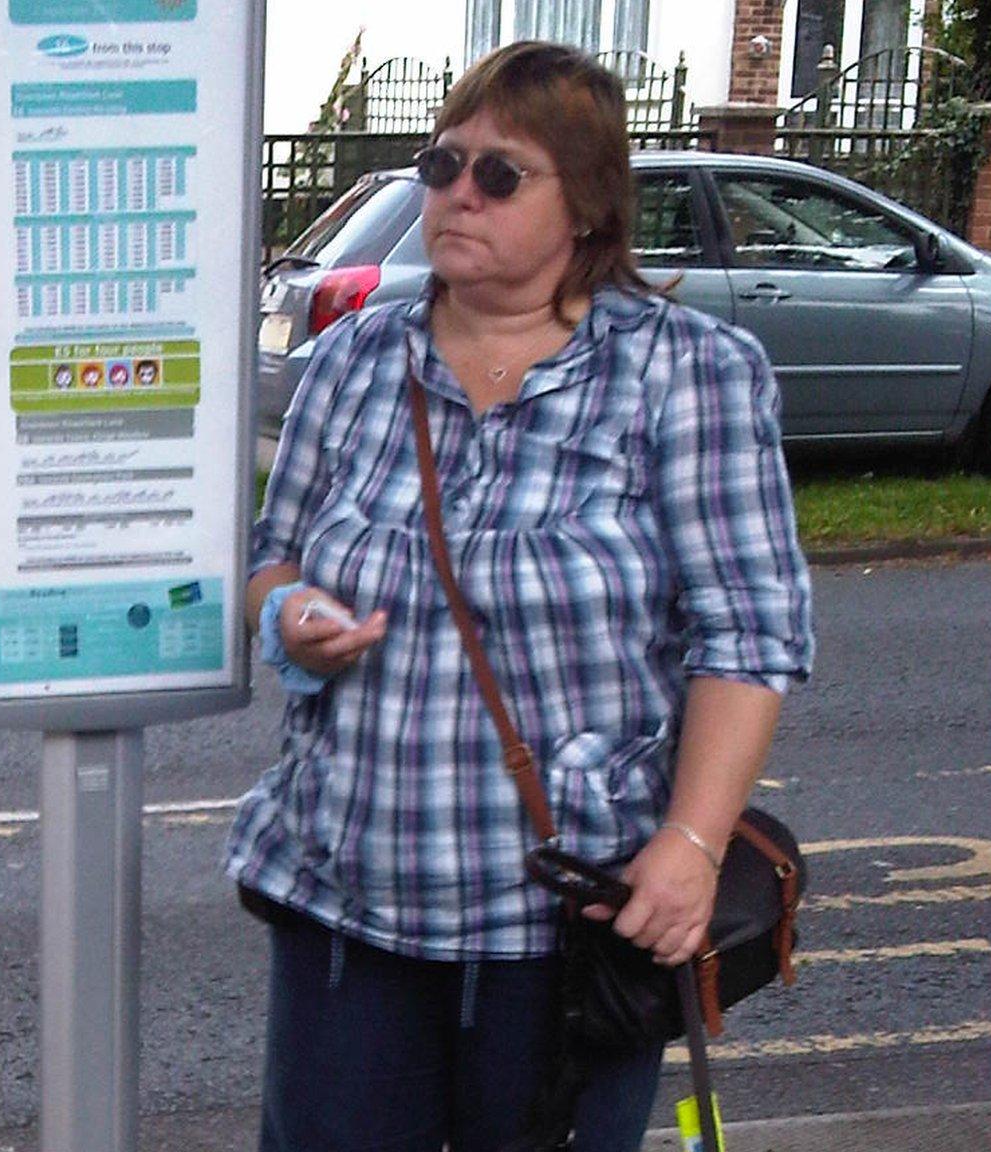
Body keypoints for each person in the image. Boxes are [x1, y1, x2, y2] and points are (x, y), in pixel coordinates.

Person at [227, 42, 814, 1152]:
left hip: (564, 922)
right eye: (440, 163)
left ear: (586, 204)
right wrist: (289, 617)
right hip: (347, 906)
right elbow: (272, 558)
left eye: (499, 174)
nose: (455, 192)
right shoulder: (353, 364)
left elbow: (748, 635)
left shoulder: (688, 371)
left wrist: (688, 842)